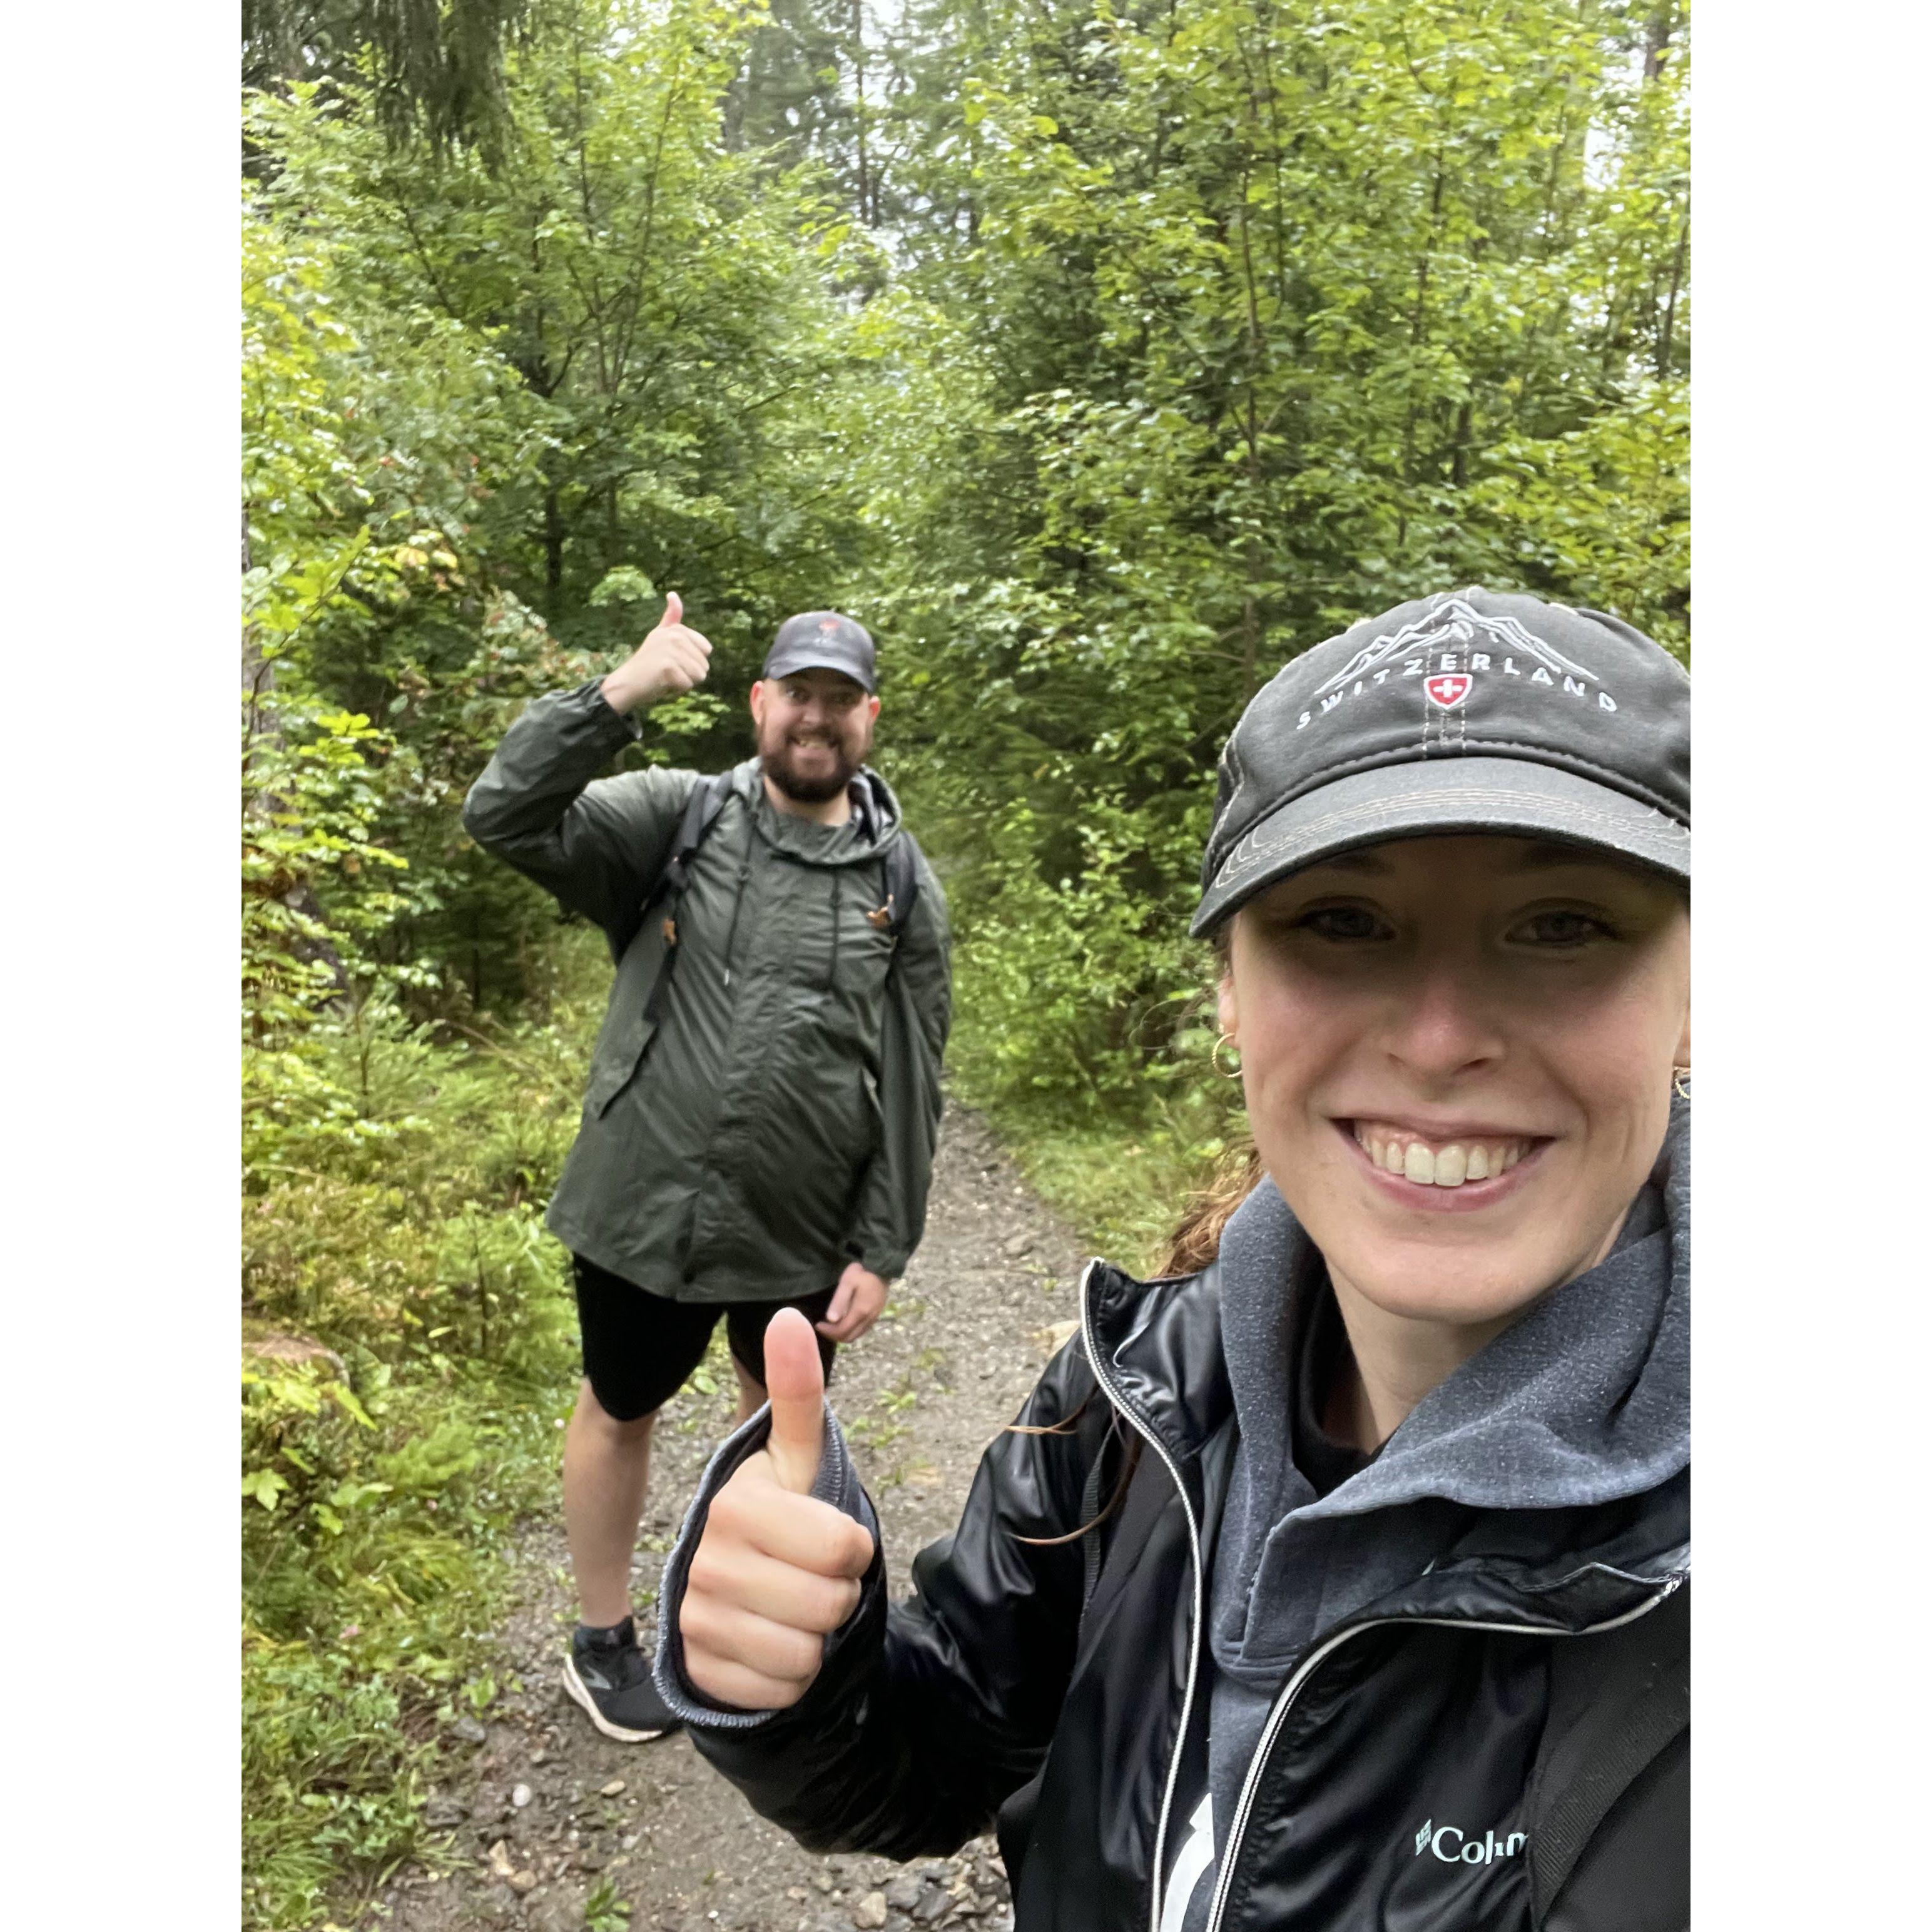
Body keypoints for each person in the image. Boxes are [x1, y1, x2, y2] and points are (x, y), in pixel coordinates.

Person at [648, 588, 1690, 1931]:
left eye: (1560, 925)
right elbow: (950, 1746)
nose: (1439, 1039)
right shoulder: (1134, 1391)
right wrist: (800, 1677)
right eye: (1344, 923)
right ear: (1229, 994)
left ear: (1692, 990)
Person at [462, 596, 952, 1745]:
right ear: (760, 704)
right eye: (800, 695)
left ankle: (743, 1628)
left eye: (841, 699)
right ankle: (602, 1639)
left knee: (775, 1418)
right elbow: (505, 816)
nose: (817, 718)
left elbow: (915, 1070)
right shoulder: (675, 820)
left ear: (868, 717)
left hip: (802, 1223)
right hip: (647, 1207)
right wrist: (617, 696)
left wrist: (884, 1245)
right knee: (621, 1405)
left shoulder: (900, 879)